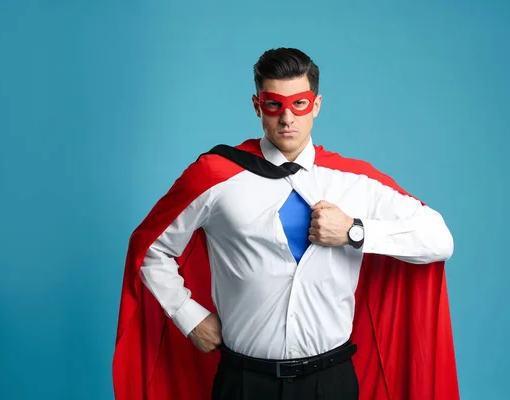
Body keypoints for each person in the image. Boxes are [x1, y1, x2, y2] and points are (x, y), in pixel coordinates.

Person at [112, 47, 460, 400]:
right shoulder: (215, 175)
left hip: (331, 381)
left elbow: (439, 239)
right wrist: (188, 316)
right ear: (257, 105)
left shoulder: (355, 182)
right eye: (274, 104)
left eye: (300, 104)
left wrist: (356, 231)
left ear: (317, 105)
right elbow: (151, 249)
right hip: (245, 381)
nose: (287, 118)